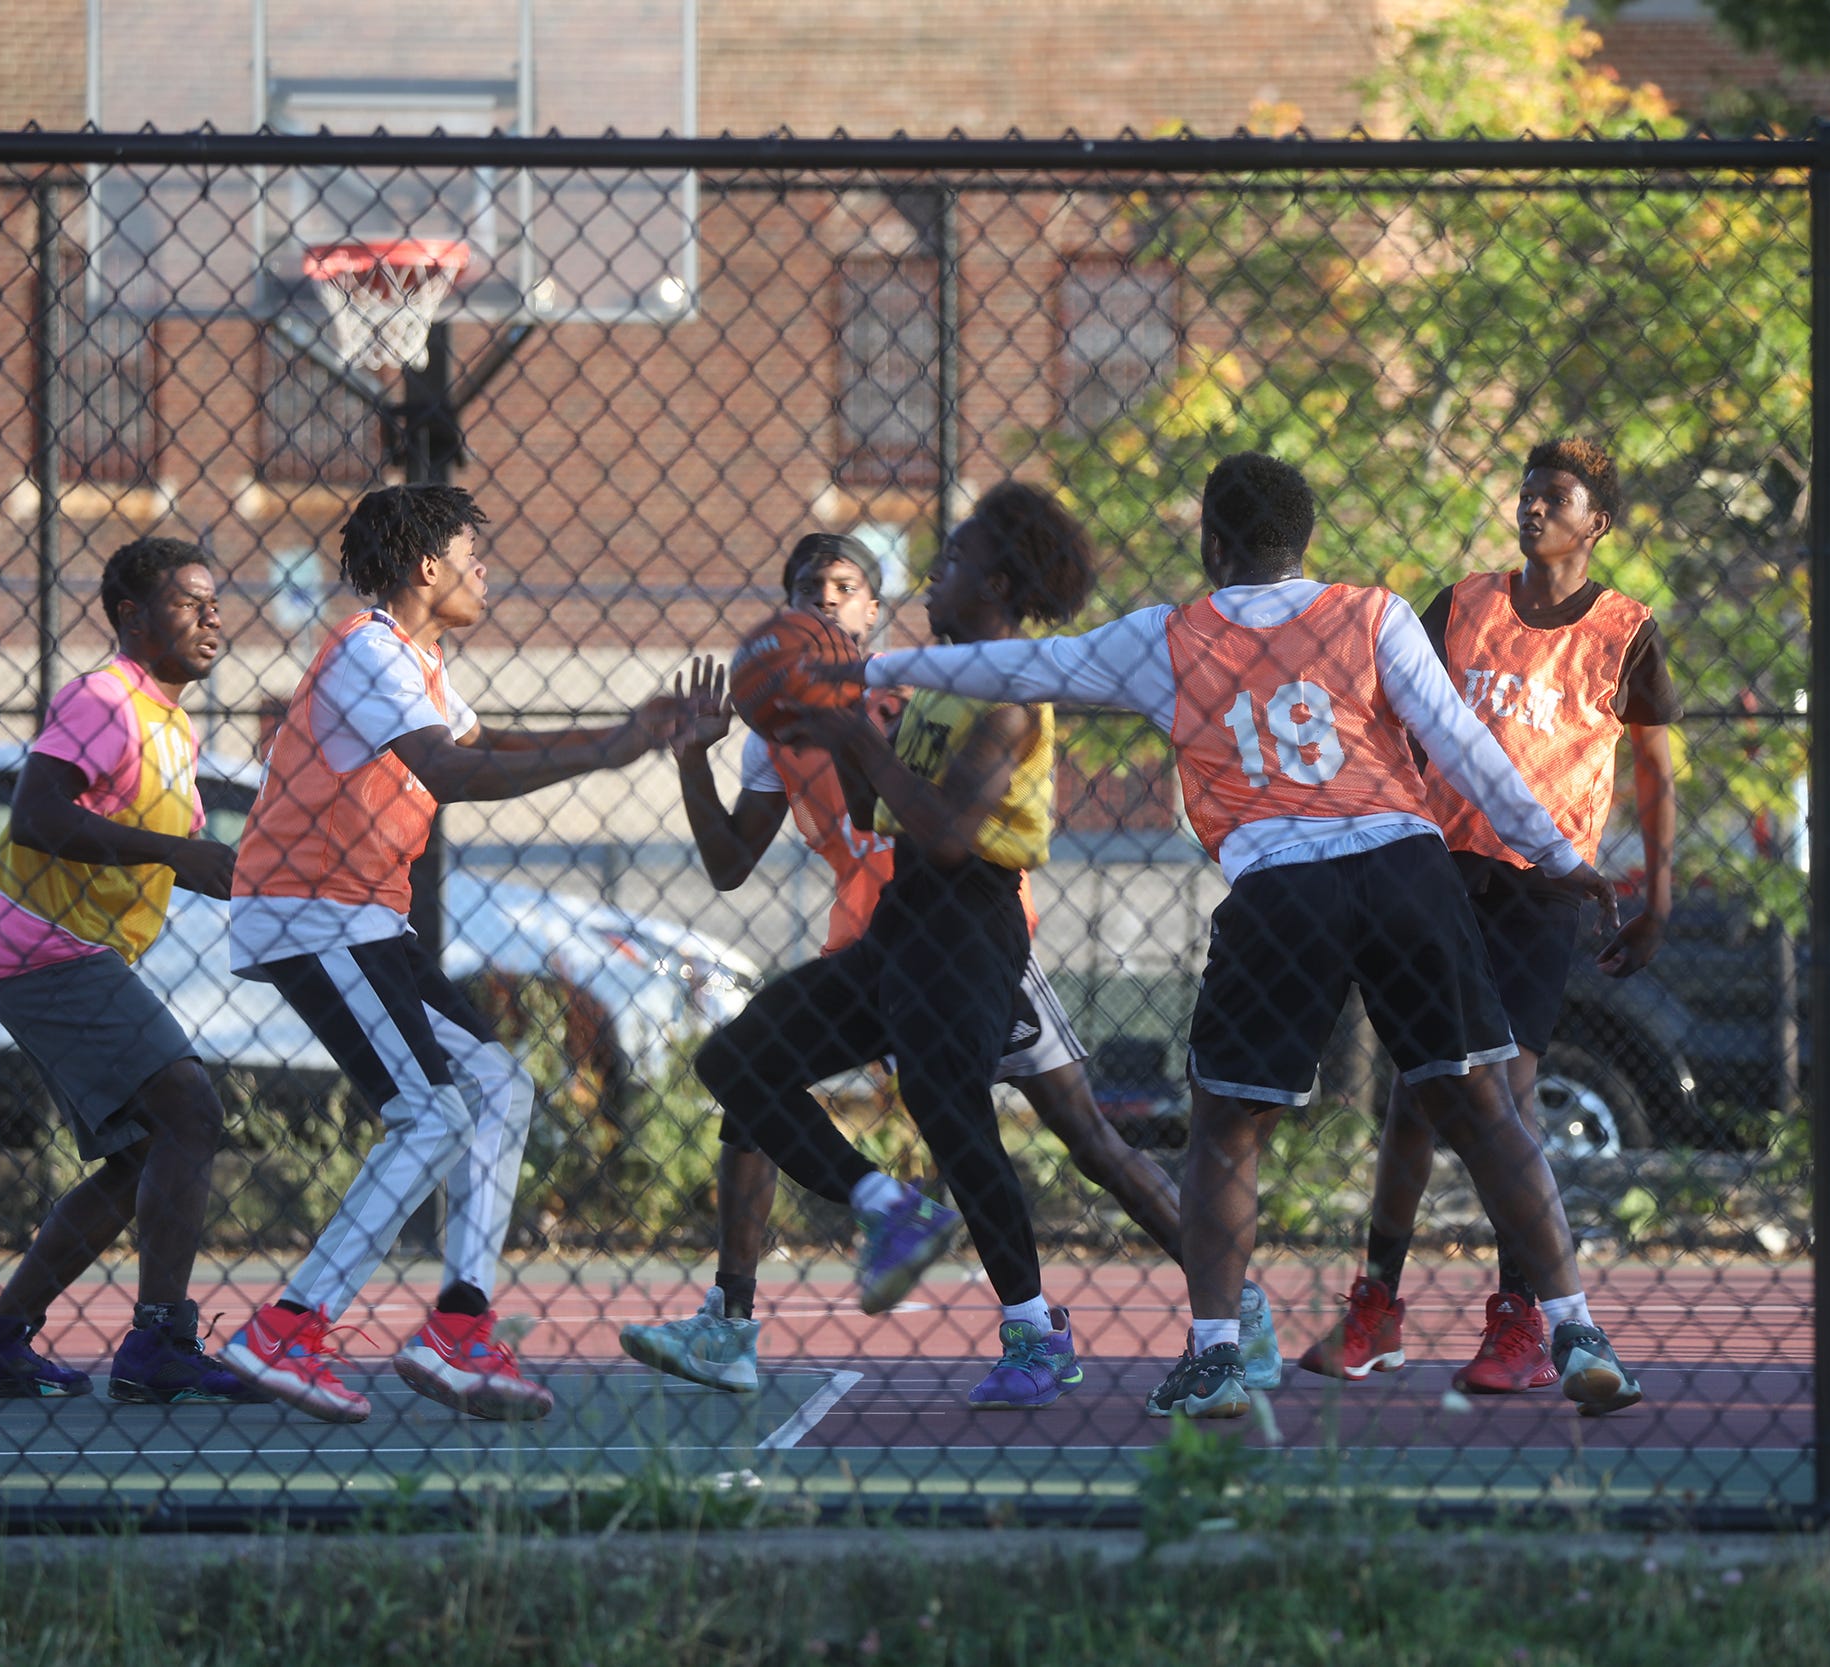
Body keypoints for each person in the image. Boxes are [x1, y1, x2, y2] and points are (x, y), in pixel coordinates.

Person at [823, 452, 1647, 1420]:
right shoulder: (1371, 611)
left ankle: (1215, 1354)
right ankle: (1575, 1325)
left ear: (1212, 542)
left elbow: (1012, 663)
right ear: (1302, 542)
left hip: (1281, 883)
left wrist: (865, 666)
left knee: (1226, 1126)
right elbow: (1462, 745)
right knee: (1483, 1105)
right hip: (1403, 869)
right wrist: (1556, 852)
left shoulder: (1168, 637)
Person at [622, 534, 1279, 1396]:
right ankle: (734, 1321)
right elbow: (729, 863)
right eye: (804, 590)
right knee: (751, 1093)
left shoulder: (935, 685)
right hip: (878, 935)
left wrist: (856, 730)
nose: (821, 601)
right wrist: (694, 760)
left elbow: (940, 819)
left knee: (1082, 1136)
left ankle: (1229, 1306)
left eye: (842, 587)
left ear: (870, 609)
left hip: (976, 940)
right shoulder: (781, 729)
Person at [215, 485, 684, 1424]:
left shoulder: (418, 663)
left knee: (497, 1086)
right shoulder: (364, 648)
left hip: (361, 919)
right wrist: (606, 753)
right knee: (429, 1114)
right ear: (428, 565)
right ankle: (287, 1327)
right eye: (475, 553)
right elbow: (452, 768)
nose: (485, 572)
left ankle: (459, 1324)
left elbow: (485, 740)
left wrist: (625, 738)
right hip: (313, 913)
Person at [688, 483, 1114, 1412]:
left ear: (995, 581)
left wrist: (854, 731)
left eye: (952, 561)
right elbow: (877, 809)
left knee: (951, 1108)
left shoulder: (1008, 686)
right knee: (737, 1059)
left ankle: (1036, 1333)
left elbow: (949, 829)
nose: (936, 574)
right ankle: (890, 1207)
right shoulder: (929, 678)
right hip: (900, 919)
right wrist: (829, 721)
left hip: (971, 919)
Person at [1301, 436, 1680, 1395]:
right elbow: (1389, 713)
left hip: (1544, 888)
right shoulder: (1464, 603)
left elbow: (1655, 771)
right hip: (1439, 868)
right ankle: (1377, 1304)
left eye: (1556, 497)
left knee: (1505, 1094)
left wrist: (1658, 893)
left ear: (1599, 521)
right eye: (1526, 494)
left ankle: (1520, 1318)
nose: (1534, 508)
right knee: (1415, 1099)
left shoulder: (1626, 630)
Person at [0, 538, 258, 1405]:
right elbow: (36, 814)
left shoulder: (172, 723)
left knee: (144, 1150)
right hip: (37, 941)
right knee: (189, 1107)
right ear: (131, 616)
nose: (212, 616)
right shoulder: (103, 698)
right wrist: (173, 852)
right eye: (190, 602)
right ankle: (160, 1342)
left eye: (214, 601)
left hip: (60, 949)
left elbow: (194, 853)